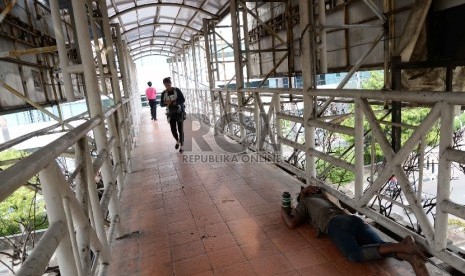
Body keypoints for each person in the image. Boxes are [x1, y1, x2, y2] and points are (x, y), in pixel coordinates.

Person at [281, 185, 429, 276]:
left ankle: (402, 245)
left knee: (353, 255)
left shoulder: (305, 202)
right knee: (382, 249)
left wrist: (284, 209)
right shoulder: (323, 197)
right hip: (353, 220)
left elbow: (291, 223)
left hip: (335, 224)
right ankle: (411, 257)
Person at [160, 77, 186, 153]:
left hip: (179, 112)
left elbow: (183, 100)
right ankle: (177, 140)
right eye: (166, 85)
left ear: (171, 83)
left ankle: (182, 146)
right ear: (164, 85)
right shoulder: (164, 93)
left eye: (168, 85)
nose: (167, 87)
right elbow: (161, 104)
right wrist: (166, 103)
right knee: (173, 130)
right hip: (170, 113)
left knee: (180, 129)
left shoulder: (177, 90)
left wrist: (176, 102)